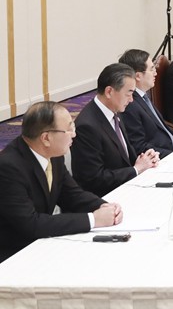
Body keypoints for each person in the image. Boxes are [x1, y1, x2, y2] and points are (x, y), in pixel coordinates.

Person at [0, 102, 123, 262]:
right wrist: (93, 219)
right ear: (46, 138)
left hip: (39, 243)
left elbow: (72, 195)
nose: (74, 134)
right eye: (69, 129)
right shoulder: (9, 167)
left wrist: (104, 207)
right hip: (13, 254)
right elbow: (31, 224)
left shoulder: (54, 155)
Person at [70, 64, 160, 196]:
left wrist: (146, 158)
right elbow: (93, 179)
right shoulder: (87, 126)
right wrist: (136, 170)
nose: (131, 100)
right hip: (107, 197)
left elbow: (125, 154)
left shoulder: (115, 110)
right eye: (128, 93)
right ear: (109, 92)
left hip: (127, 186)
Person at [118, 49, 173, 157]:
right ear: (138, 76)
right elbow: (140, 147)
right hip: (164, 158)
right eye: (151, 69)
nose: (155, 73)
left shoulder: (143, 97)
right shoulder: (130, 105)